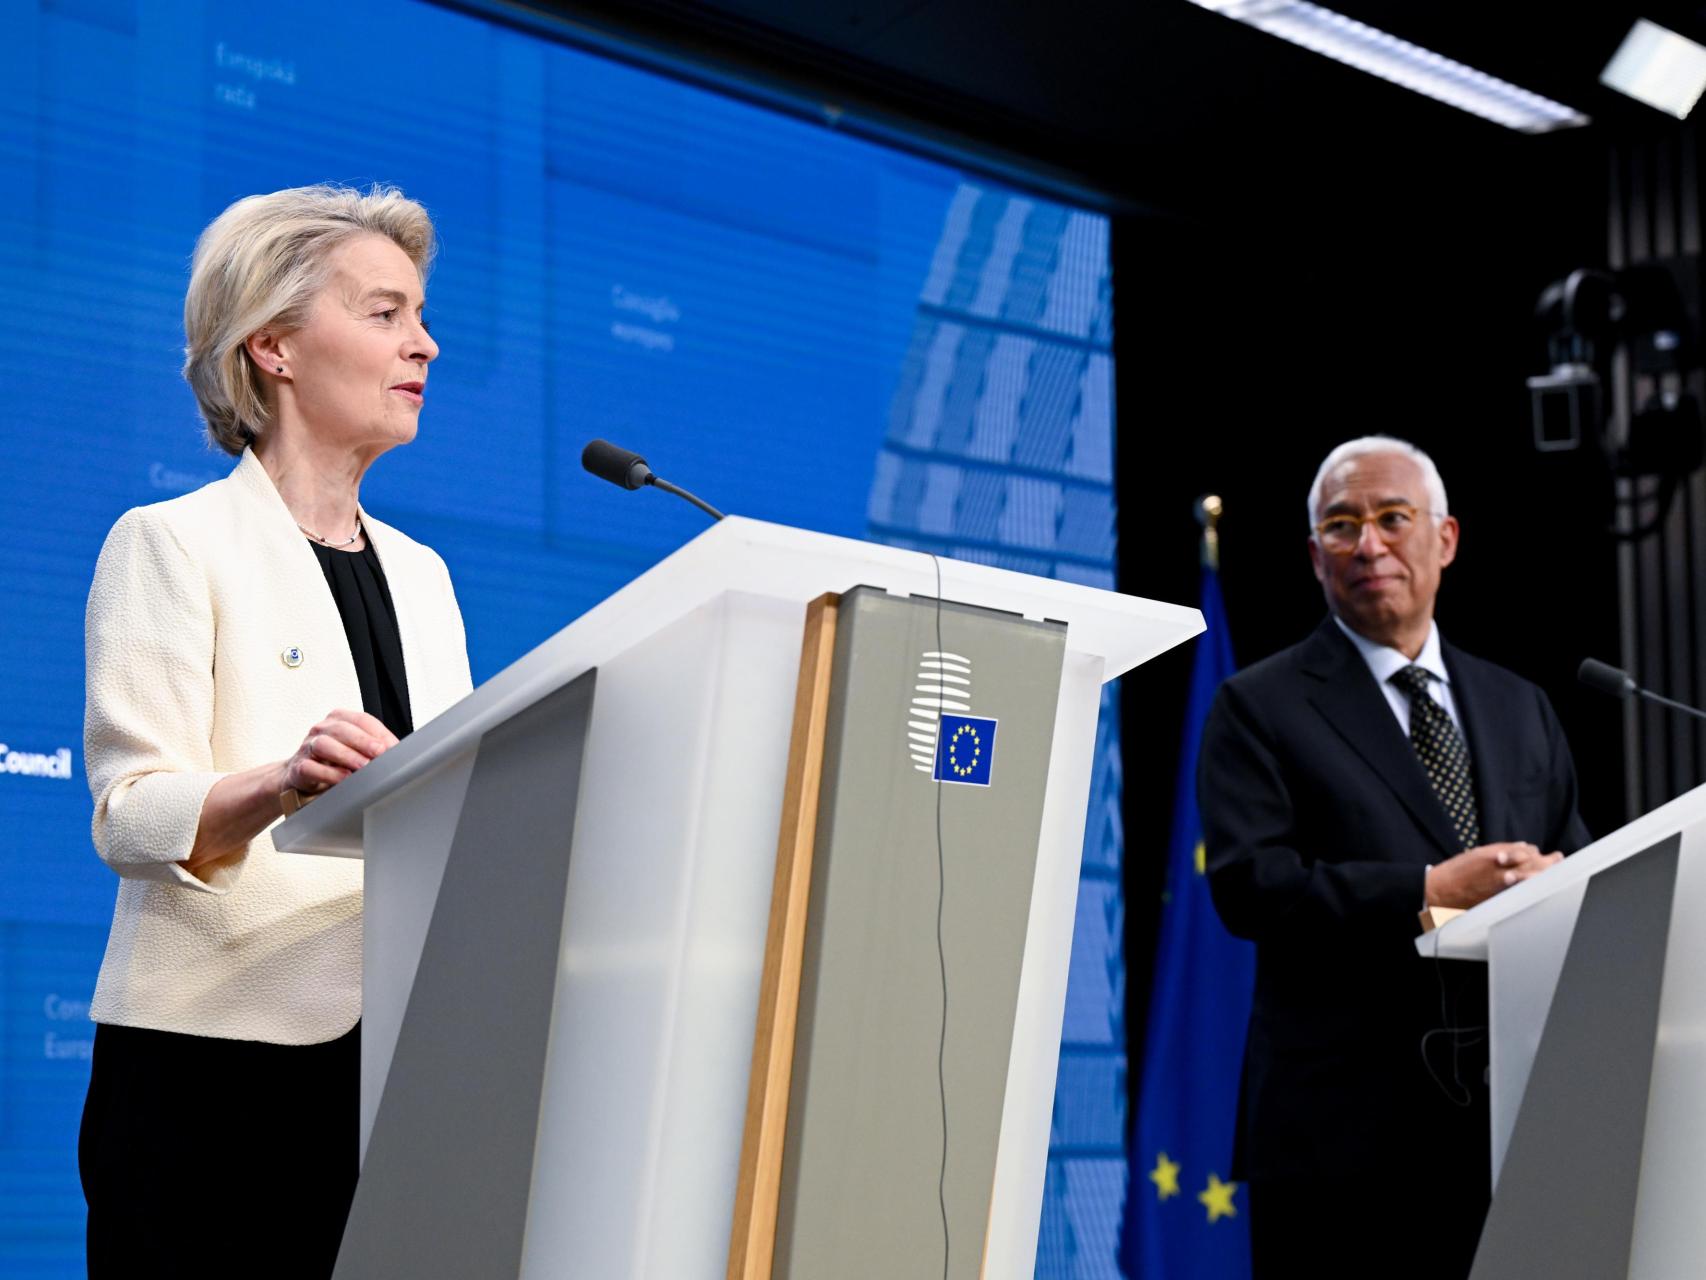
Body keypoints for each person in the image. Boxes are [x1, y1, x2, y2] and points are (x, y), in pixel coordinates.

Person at [77, 184, 473, 1278]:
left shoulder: (427, 576)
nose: (425, 344)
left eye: (421, 314)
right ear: (275, 347)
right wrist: (281, 782)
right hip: (214, 1068)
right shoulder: (171, 541)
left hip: (393, 1068)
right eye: (386, 313)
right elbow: (126, 810)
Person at [1198, 436, 1589, 1280]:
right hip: (1340, 1145)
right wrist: (1425, 890)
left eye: (1391, 518)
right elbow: (1250, 887)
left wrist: (1563, 885)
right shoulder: (1257, 707)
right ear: (1314, 557)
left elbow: (1579, 860)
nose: (1368, 544)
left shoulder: (1521, 706)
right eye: (1341, 526)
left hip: (1512, 1130)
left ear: (1445, 539)